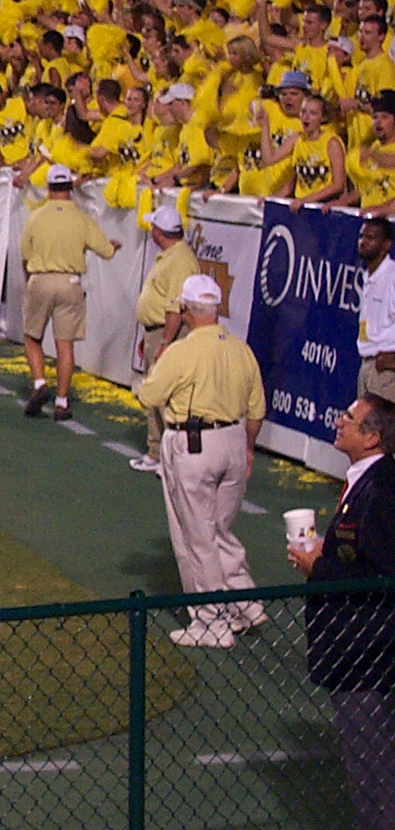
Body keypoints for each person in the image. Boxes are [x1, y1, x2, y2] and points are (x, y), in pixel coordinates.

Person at [138, 274, 267, 648]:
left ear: (187, 311)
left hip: (193, 444)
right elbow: (257, 408)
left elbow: (150, 395)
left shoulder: (182, 351)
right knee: (221, 529)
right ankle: (244, 601)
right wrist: (247, 447)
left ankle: (211, 621)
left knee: (197, 538)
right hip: (234, 440)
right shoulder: (241, 349)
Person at [290, 394, 395, 830]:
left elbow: (381, 573)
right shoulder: (370, 480)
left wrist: (319, 565)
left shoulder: (383, 488)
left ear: (371, 436)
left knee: (372, 772)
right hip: (364, 651)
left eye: (349, 418)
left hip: (365, 654)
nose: (338, 421)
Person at [20, 164, 119, 421]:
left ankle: (40, 383)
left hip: (41, 278)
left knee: (32, 336)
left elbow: (25, 255)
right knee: (65, 344)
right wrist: (114, 246)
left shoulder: (36, 217)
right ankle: (62, 402)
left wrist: (29, 282)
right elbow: (106, 251)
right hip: (70, 282)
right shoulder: (81, 218)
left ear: (49, 187)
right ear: (71, 188)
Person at [131, 206, 201, 473]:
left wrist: (165, 342)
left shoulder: (180, 260)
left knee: (165, 394)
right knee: (154, 393)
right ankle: (156, 452)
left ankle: (171, 458)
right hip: (156, 331)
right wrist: (149, 335)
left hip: (166, 333)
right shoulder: (170, 256)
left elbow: (175, 307)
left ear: (159, 231)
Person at [357, 218, 395, 402]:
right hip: (367, 365)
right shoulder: (368, 276)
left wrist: (391, 361)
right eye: (362, 236)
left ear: (386, 245)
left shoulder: (392, 277)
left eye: (371, 238)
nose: (363, 241)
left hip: (385, 372)